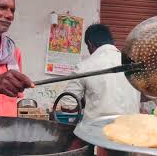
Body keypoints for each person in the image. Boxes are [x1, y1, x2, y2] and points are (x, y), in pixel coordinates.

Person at [60, 23, 141, 156]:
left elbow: (66, 105)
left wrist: (84, 102)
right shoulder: (132, 64)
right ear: (111, 42)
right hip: (131, 135)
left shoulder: (85, 66)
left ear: (90, 44)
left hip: (99, 137)